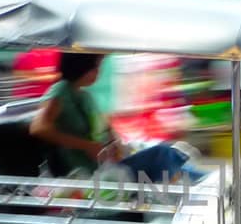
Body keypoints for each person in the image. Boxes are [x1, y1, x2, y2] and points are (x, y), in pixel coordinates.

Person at [29, 52, 201, 184]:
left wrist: (112, 143)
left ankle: (207, 183)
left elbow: (102, 129)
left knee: (175, 161)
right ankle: (197, 185)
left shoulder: (84, 95)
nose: (99, 72)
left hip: (106, 165)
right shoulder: (60, 91)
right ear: (82, 67)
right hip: (86, 173)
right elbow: (38, 128)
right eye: (96, 67)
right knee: (161, 153)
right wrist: (87, 146)